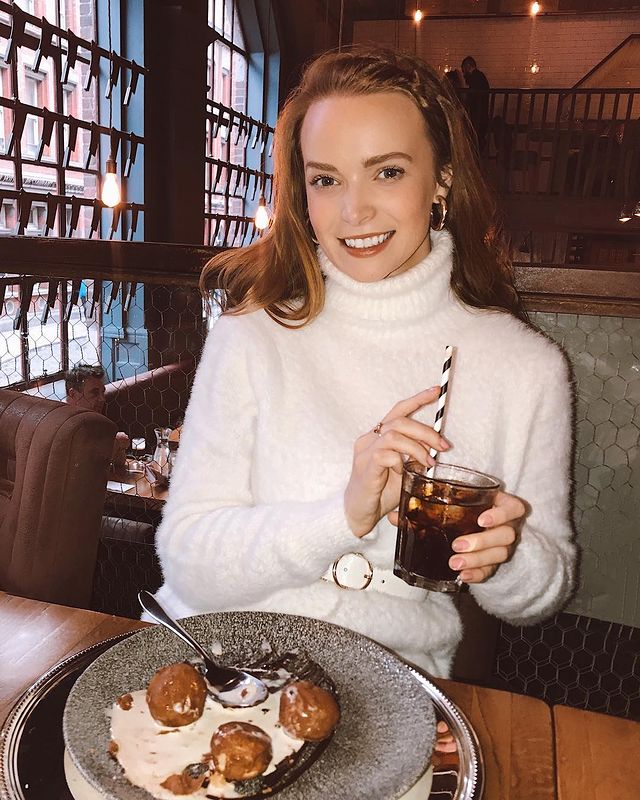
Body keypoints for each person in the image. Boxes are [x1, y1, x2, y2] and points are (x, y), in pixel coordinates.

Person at [152, 48, 576, 682]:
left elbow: (545, 592)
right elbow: (186, 560)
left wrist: (504, 554)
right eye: (326, 180)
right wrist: (343, 516)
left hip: (390, 686)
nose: (354, 212)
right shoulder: (254, 334)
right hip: (216, 657)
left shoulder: (525, 367)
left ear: (442, 179)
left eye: (387, 172)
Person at [65, 363, 130, 467]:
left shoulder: (93, 418)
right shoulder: (63, 422)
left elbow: (119, 463)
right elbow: (83, 464)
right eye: (95, 393)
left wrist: (118, 446)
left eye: (102, 392)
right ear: (73, 394)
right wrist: (116, 444)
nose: (102, 399)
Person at [461, 55, 490, 154]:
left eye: (464, 70)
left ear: (468, 66)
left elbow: (472, 96)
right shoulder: (480, 76)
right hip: (481, 115)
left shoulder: (475, 77)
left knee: (476, 140)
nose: (464, 73)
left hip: (478, 116)